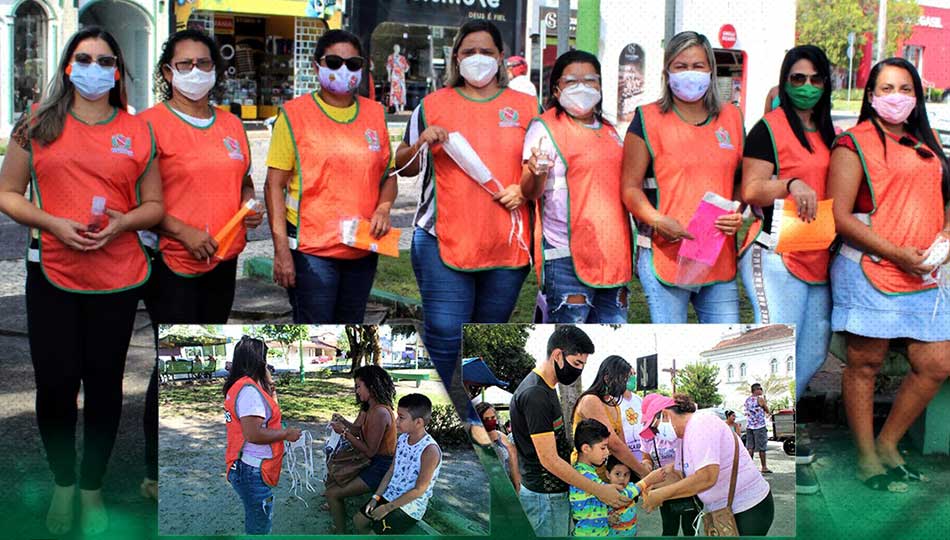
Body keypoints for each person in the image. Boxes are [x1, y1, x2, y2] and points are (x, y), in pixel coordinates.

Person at [0, 27, 163, 536]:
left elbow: (154, 205)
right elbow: (8, 192)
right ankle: (63, 483)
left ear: (118, 71)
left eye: (105, 60)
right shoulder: (37, 125)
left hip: (116, 278)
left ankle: (91, 488)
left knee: (105, 385)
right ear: (68, 65)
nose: (95, 67)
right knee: (54, 385)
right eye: (84, 57)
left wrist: (121, 223)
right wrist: (52, 223)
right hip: (51, 272)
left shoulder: (138, 132)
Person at [827, 57, 950, 492]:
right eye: (885, 88)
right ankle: (866, 458)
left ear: (916, 95)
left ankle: (889, 442)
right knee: (865, 363)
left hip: (924, 275)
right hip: (871, 268)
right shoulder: (853, 142)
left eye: (903, 88)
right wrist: (898, 252)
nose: (895, 97)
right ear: (871, 95)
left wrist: (946, 235)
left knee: (937, 361)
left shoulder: (927, 143)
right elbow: (840, 216)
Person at [393, 19, 537, 384]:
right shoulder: (432, 105)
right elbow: (402, 166)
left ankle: (470, 415)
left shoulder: (526, 107)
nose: (477, 59)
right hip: (442, 241)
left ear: (501, 57)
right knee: (444, 338)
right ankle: (447, 412)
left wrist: (523, 188)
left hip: (506, 245)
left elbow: (542, 167)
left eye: (486, 52)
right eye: (469, 51)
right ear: (455, 58)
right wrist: (421, 139)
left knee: (481, 340)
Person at [739, 45, 835, 494]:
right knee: (778, 343)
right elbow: (751, 187)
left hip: (817, 252)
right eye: (797, 79)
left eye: (816, 78)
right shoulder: (769, 129)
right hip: (774, 252)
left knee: (814, 349)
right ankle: (781, 439)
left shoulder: (829, 131)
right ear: (785, 80)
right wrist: (790, 183)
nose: (807, 87)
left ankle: (764, 424)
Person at [264, 29, 395, 323]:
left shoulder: (375, 114)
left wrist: (384, 207)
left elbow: (388, 175)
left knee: (352, 330)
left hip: (362, 250)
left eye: (353, 64)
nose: (343, 70)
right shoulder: (295, 115)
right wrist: (281, 250)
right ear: (317, 66)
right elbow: (274, 185)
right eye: (334, 62)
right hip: (312, 253)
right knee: (315, 330)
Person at [621, 31, 744, 323]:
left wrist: (738, 209)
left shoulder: (733, 118)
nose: (690, 73)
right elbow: (629, 187)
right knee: (670, 342)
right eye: (680, 66)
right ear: (667, 72)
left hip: (718, 255)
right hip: (667, 255)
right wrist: (656, 220)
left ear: (711, 70)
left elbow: (741, 180)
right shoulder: (647, 118)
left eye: (698, 66)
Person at [141, 29, 260, 323]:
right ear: (168, 73)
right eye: (185, 64)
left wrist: (248, 204)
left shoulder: (231, 124)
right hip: (171, 260)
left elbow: (244, 181)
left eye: (204, 63)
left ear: (215, 70)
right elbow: (135, 200)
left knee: (210, 342)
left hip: (224, 258)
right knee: (174, 351)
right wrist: (184, 233)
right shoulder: (148, 125)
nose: (195, 71)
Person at [522, 50, 632, 323]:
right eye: (571, 81)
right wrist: (536, 172)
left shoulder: (610, 130)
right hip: (565, 255)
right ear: (556, 88)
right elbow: (530, 191)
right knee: (570, 337)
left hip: (612, 254)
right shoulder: (544, 128)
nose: (582, 87)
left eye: (590, 80)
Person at [509, 326, 630, 537]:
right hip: (545, 498)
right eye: (576, 363)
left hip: (551, 496)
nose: (579, 370)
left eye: (583, 364)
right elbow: (549, 459)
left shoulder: (546, 388)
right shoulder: (536, 394)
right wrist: (599, 490)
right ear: (557, 355)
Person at [640, 394, 774, 536]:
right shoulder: (683, 438)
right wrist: (647, 485)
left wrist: (662, 494)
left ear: (665, 415)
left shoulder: (700, 424)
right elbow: (680, 474)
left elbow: (707, 477)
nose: (657, 434)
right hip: (724, 510)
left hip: (748, 508)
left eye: (655, 429)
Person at [224, 336, 302, 535]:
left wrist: (270, 388)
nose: (267, 363)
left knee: (257, 520)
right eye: (264, 358)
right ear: (258, 360)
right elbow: (253, 434)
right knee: (260, 527)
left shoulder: (245, 386)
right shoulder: (249, 392)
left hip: (247, 467)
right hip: (252, 470)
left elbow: (268, 416)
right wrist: (286, 434)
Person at [355, 394, 443, 535]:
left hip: (409, 507)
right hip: (389, 496)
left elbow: (419, 490)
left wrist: (386, 509)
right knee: (359, 521)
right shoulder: (402, 439)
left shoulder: (429, 450)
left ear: (419, 422)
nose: (396, 422)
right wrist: (375, 498)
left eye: (401, 417)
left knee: (374, 534)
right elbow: (391, 471)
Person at [324, 365, 397, 533]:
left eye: (358, 386)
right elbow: (358, 431)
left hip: (380, 467)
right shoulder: (371, 408)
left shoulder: (380, 412)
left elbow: (370, 451)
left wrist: (343, 432)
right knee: (331, 479)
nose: (356, 391)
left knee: (332, 493)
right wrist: (343, 423)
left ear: (371, 386)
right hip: (372, 461)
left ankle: (341, 532)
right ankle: (339, 523)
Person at [569, 419, 663, 537]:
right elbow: (618, 497)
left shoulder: (584, 471)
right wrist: (647, 481)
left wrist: (606, 517)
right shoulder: (584, 475)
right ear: (586, 448)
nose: (607, 452)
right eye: (603, 448)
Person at [571, 356, 650, 479]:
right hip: (588, 473)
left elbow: (621, 443)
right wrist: (643, 473)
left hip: (608, 472)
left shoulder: (613, 402)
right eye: (623, 380)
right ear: (607, 379)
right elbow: (614, 444)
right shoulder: (591, 401)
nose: (625, 385)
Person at [639, 394, 696, 537]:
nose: (655, 431)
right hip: (664, 488)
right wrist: (646, 465)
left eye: (654, 425)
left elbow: (688, 466)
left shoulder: (682, 430)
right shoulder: (648, 435)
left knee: (691, 529)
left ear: (664, 415)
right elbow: (646, 457)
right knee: (669, 529)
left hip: (688, 486)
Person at [476, 402, 521, 491]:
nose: (490, 421)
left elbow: (513, 465)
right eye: (486, 419)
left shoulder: (502, 437)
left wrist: (517, 488)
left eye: (492, 418)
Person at [604, 456, 641, 536]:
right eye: (617, 474)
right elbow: (598, 515)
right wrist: (608, 518)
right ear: (608, 474)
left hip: (632, 534)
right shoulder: (604, 493)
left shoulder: (632, 488)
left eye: (626, 474)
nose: (622, 478)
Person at [744, 383, 772, 473]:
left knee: (750, 447)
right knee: (762, 447)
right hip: (759, 426)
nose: (761, 390)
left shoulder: (747, 400)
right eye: (760, 388)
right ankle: (764, 467)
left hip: (749, 426)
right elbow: (767, 410)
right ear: (756, 390)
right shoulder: (760, 399)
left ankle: (749, 467)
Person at [618, 371, 644, 462]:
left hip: (642, 453)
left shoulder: (639, 400)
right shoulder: (614, 401)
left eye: (634, 374)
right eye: (630, 374)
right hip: (624, 455)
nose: (633, 377)